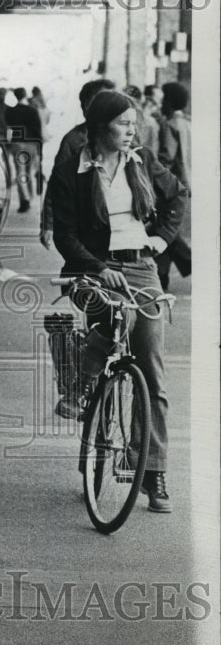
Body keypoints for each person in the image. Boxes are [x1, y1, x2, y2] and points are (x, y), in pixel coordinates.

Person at [49, 90, 187, 513]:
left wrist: (160, 241)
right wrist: (95, 265)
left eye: (134, 124)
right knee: (109, 322)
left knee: (151, 365)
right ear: (99, 125)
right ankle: (83, 381)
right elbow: (65, 234)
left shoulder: (141, 160)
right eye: (123, 123)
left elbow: (177, 195)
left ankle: (153, 469)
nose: (132, 130)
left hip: (141, 266)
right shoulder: (74, 166)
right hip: (93, 267)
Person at [39, 78, 115, 248]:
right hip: (86, 221)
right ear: (87, 106)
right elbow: (58, 182)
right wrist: (48, 225)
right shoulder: (74, 139)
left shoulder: (123, 135)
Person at [156, 81, 192, 289]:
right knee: (168, 227)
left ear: (169, 102)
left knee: (164, 227)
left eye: (163, 99)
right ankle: (163, 274)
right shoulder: (187, 123)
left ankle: (185, 260)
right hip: (186, 183)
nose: (161, 103)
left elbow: (167, 157)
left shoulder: (169, 125)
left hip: (171, 185)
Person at [5, 87, 42, 213]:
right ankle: (29, 198)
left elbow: (8, 129)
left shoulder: (10, 111)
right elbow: (38, 131)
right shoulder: (32, 111)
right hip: (31, 144)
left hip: (18, 143)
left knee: (20, 172)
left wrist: (8, 144)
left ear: (15, 96)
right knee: (28, 172)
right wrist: (39, 149)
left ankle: (24, 199)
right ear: (25, 95)